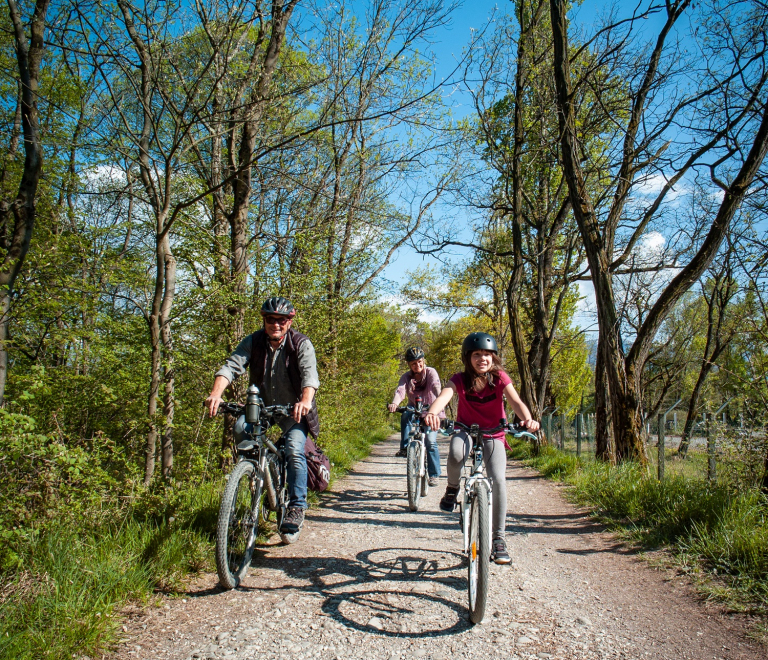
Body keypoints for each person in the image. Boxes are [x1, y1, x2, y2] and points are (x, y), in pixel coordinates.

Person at [205, 296, 320, 538]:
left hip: (292, 409)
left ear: (289, 321)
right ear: (264, 320)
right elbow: (231, 367)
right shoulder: (254, 342)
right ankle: (256, 474)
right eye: (270, 319)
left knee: (293, 449)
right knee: (240, 428)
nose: (275, 324)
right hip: (261, 407)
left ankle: (297, 506)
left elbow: (310, 376)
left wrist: (305, 401)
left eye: (281, 320)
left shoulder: (300, 343)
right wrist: (216, 394)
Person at [424, 332, 540, 564]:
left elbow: (516, 401)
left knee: (498, 479)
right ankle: (452, 488)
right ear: (468, 358)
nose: (482, 359)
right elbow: (445, 396)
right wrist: (432, 412)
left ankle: (499, 539)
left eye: (487, 354)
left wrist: (528, 418)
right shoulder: (459, 379)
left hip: (494, 433)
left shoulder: (500, 378)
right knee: (456, 453)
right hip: (465, 429)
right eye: (477, 354)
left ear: (493, 358)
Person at [387, 347, 443, 486]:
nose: (417, 366)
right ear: (409, 365)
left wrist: (441, 399)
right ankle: (405, 447)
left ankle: (434, 474)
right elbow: (400, 391)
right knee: (406, 413)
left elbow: (436, 386)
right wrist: (395, 403)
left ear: (423, 361)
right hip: (415, 410)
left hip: (431, 411)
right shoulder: (406, 377)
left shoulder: (431, 372)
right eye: (413, 363)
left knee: (430, 442)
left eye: (420, 362)